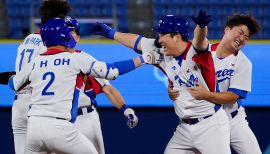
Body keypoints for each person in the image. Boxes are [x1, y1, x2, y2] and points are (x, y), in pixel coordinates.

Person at [8, 18, 160, 153]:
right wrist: (143, 58)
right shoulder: (76, 58)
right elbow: (113, 71)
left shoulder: (34, 62)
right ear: (64, 36)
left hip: (34, 127)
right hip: (60, 128)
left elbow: (13, 84)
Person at [89, 14, 231, 153]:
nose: (159, 38)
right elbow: (137, 41)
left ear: (177, 36)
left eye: (163, 34)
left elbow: (200, 40)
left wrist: (201, 26)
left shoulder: (197, 52)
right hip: (185, 128)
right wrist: (111, 33)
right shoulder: (161, 51)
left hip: (211, 126)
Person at [169, 11, 262, 154]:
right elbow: (198, 42)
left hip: (233, 120)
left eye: (246, 37)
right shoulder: (204, 52)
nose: (242, 38)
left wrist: (206, 95)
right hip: (207, 122)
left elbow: (233, 96)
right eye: (240, 32)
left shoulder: (243, 63)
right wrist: (173, 92)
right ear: (227, 30)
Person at [66, 17, 138, 154]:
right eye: (65, 30)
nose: (68, 34)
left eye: (72, 31)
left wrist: (125, 109)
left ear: (78, 37)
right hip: (61, 120)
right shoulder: (46, 59)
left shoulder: (84, 59)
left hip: (86, 118)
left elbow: (107, 88)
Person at [9, 1, 71, 153]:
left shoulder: (27, 39)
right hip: (37, 104)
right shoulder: (49, 43)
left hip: (18, 104)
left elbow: (18, 77)